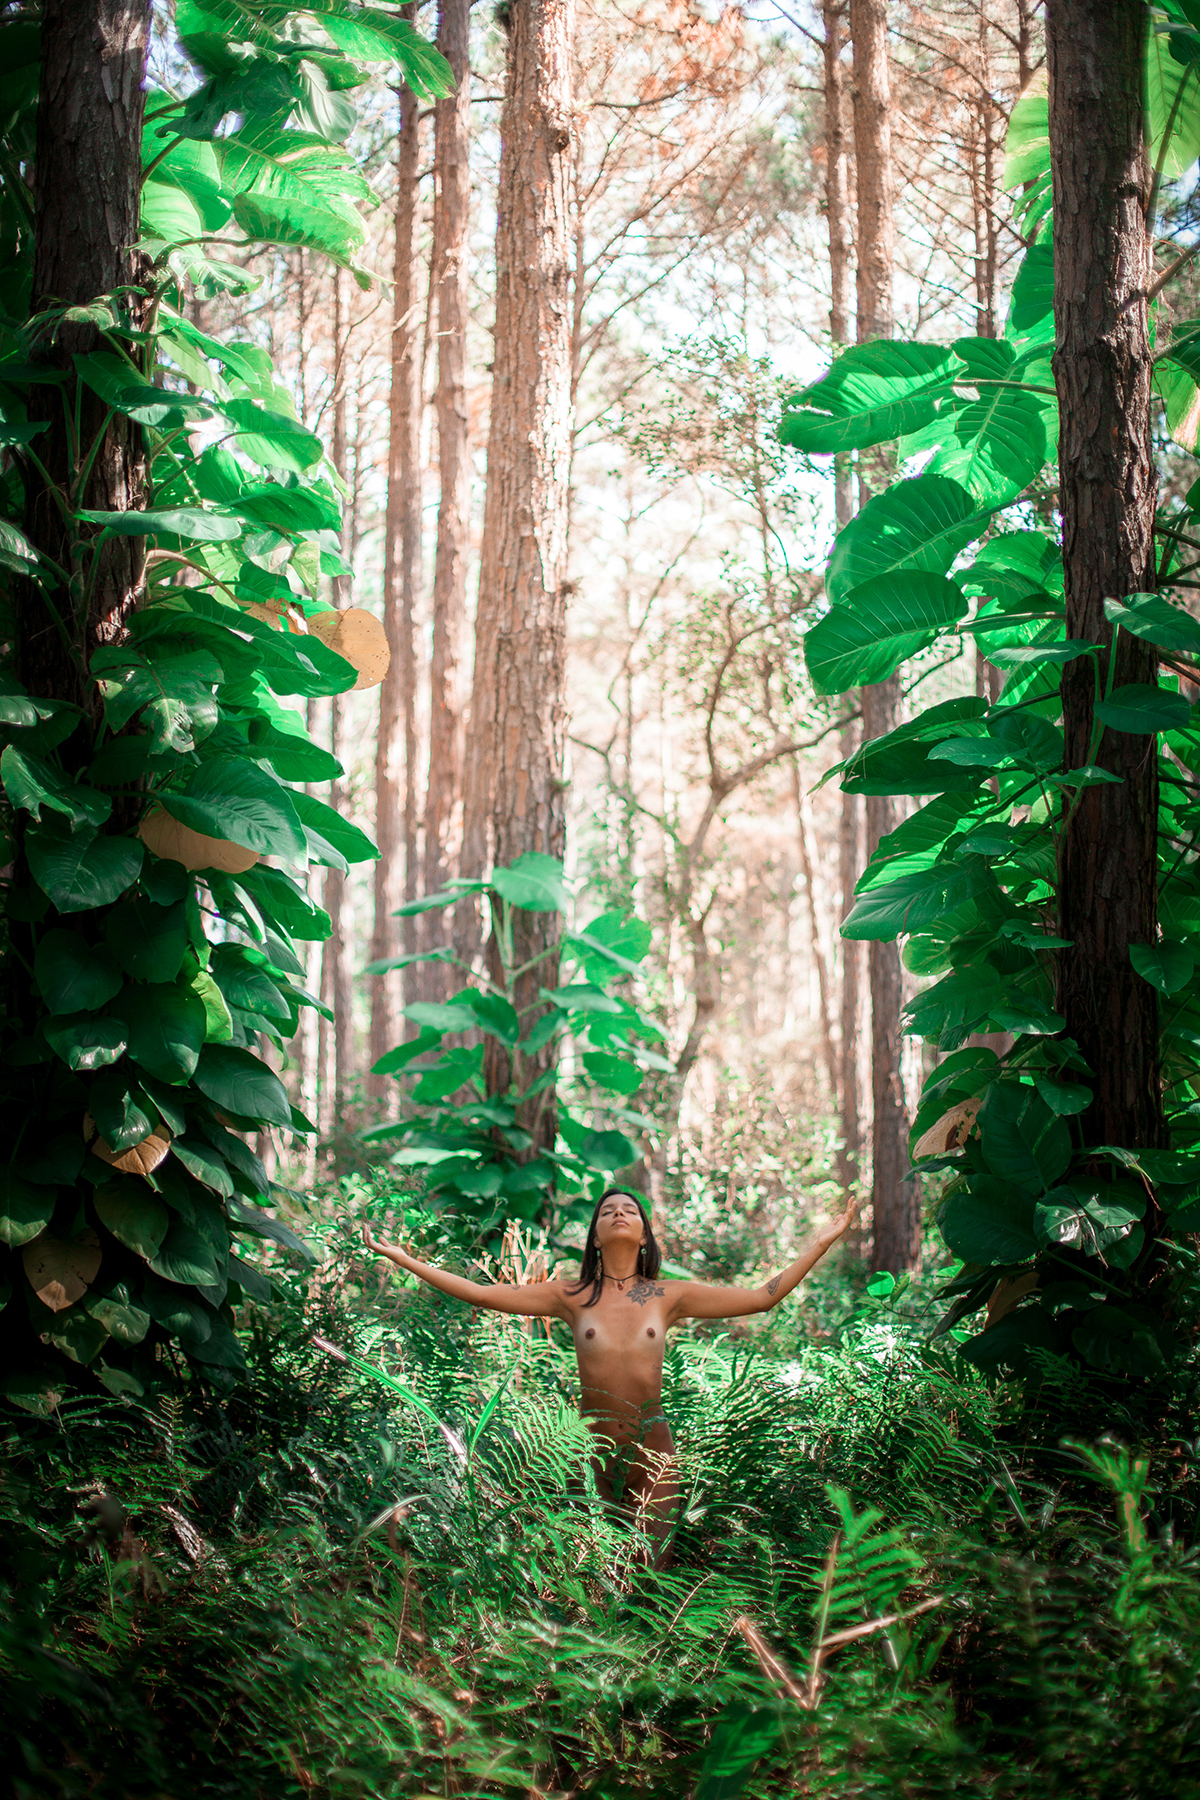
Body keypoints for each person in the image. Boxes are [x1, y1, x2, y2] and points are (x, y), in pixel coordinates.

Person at [362, 1186, 857, 1567]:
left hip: (654, 1450)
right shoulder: (570, 1295)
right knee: (596, 1571)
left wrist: (818, 1244)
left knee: (651, 1569)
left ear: (644, 1234)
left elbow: (761, 1296)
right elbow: (483, 1294)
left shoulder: (668, 1295)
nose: (619, 1213)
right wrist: (403, 1259)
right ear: (595, 1236)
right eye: (607, 1211)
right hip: (590, 1449)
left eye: (630, 1210)